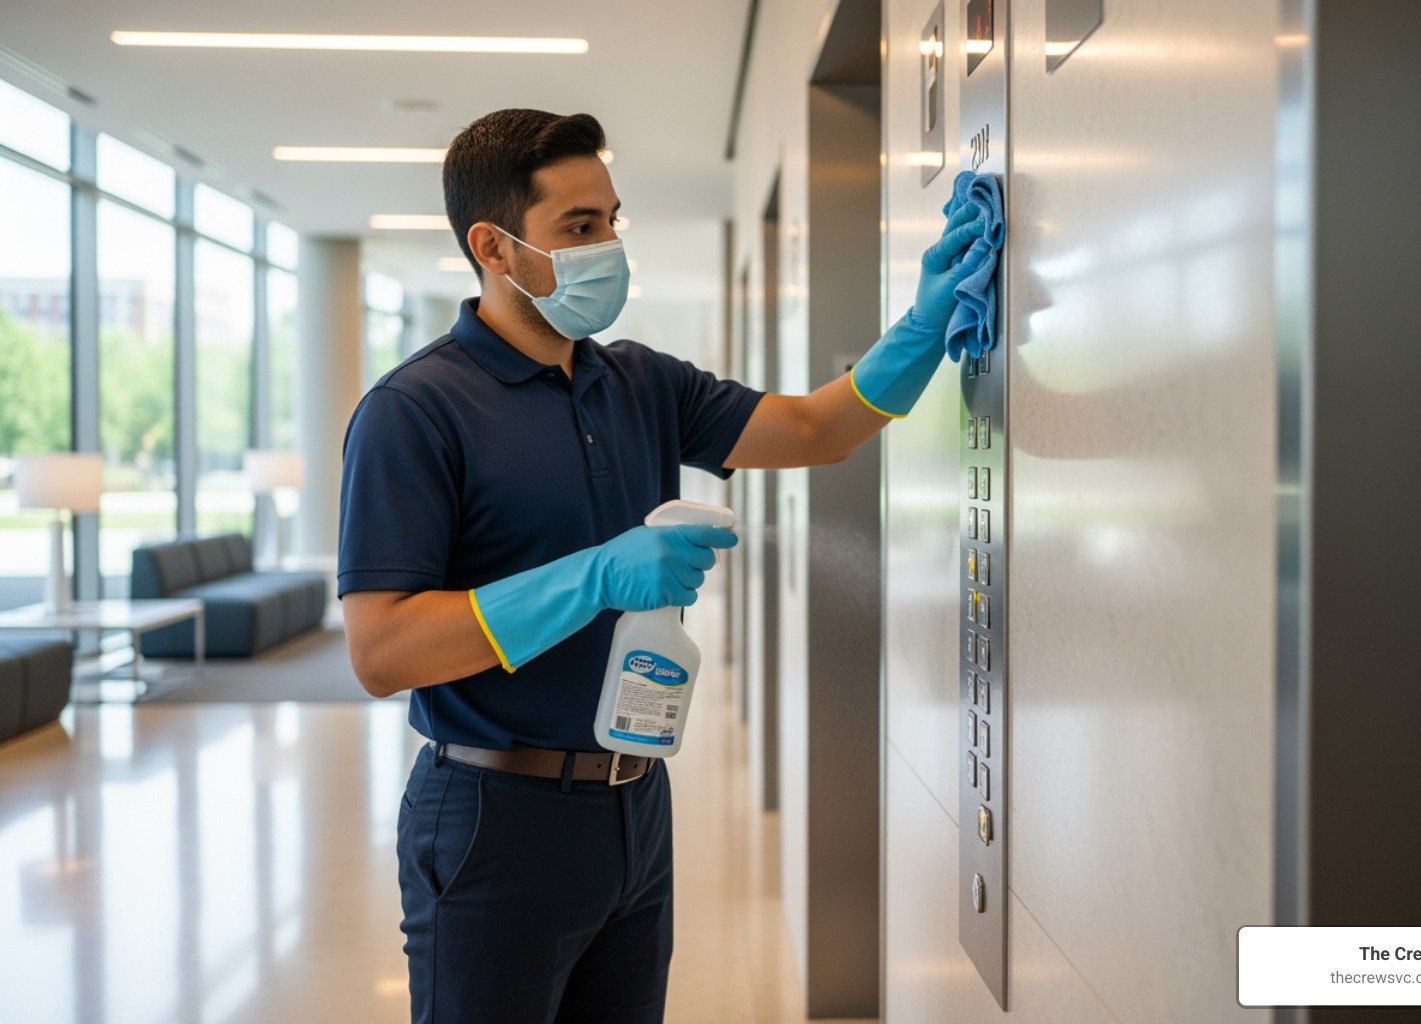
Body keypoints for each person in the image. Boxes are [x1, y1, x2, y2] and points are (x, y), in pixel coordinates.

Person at [338, 108, 983, 1024]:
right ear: (494, 245)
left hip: (634, 804)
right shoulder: (416, 410)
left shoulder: (638, 380)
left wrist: (922, 326)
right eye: (579, 226)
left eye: (612, 219)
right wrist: (594, 576)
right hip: (492, 816)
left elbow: (814, 429)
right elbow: (382, 652)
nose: (609, 245)